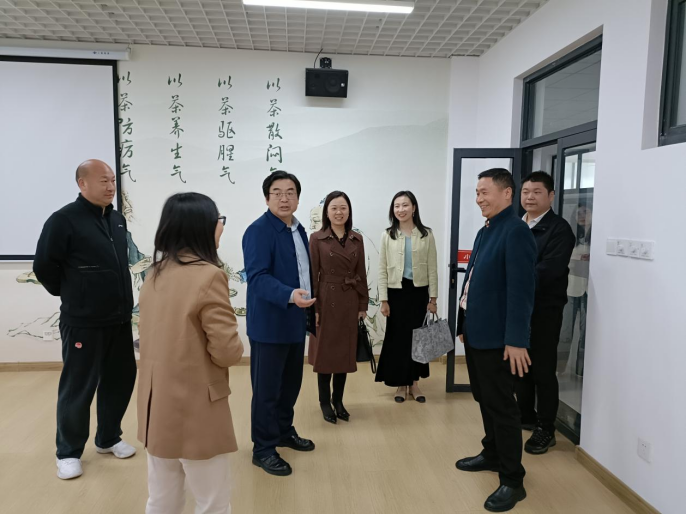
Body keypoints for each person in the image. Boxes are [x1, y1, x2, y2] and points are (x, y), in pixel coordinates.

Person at [138, 193, 243, 515]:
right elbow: (227, 352)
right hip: (197, 405)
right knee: (212, 502)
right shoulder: (209, 275)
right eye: (219, 220)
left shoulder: (154, 273)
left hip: (157, 405)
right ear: (204, 227)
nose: (221, 227)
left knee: (162, 499)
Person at [33, 160, 138, 481]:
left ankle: (108, 438)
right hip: (83, 321)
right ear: (82, 183)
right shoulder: (63, 220)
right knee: (78, 387)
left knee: (120, 380)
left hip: (119, 319)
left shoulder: (117, 220)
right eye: (103, 181)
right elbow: (44, 266)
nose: (111, 187)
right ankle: (68, 452)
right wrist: (73, 294)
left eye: (112, 180)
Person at [455, 168, 537, 513]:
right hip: (477, 333)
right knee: (484, 399)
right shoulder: (486, 230)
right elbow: (472, 281)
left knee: (502, 407)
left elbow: (522, 291)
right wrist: (462, 323)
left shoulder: (516, 232)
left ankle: (513, 480)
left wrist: (516, 340)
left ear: (507, 193)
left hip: (499, 340)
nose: (479, 199)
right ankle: (491, 453)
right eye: (476, 193)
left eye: (484, 192)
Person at [242, 170, 317, 477]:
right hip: (270, 324)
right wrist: (289, 295)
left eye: (290, 193)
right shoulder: (258, 231)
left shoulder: (298, 230)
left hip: (295, 321)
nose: (284, 199)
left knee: (290, 386)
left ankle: (284, 432)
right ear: (266, 198)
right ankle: (263, 449)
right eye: (277, 193)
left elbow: (303, 273)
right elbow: (257, 278)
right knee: (267, 390)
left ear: (298, 198)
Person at [515, 172, 575, 455]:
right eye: (526, 191)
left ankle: (546, 428)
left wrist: (510, 279)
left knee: (542, 369)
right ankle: (525, 416)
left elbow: (548, 270)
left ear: (551, 196)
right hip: (518, 308)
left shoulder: (559, 229)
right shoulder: (516, 225)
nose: (529, 197)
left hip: (544, 311)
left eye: (537, 192)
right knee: (520, 365)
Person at [309, 191, 369, 424]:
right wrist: (313, 308)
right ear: (327, 212)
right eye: (334, 208)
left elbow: (361, 273)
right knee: (326, 354)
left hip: (349, 300)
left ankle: (339, 401)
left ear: (349, 211)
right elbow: (313, 276)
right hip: (326, 300)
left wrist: (362, 304)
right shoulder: (317, 238)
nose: (339, 212)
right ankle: (325, 402)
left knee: (344, 353)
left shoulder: (357, 239)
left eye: (343, 207)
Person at [375, 191, 438, 403]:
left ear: (414, 208)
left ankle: (415, 383)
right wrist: (384, 300)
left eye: (405, 205)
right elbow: (382, 269)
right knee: (398, 340)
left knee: (419, 340)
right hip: (396, 293)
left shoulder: (426, 234)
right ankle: (401, 384)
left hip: (418, 293)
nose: (400, 209)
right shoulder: (388, 235)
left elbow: (432, 268)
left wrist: (433, 299)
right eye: (397, 206)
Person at [563, 202, 592, 377]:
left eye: (586, 212)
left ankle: (582, 371)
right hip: (571, 287)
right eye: (578, 213)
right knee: (565, 330)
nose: (582, 216)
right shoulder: (570, 235)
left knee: (585, 332)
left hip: (590, 290)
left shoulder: (597, 236)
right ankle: (561, 367)